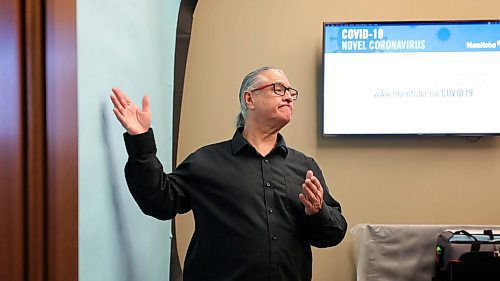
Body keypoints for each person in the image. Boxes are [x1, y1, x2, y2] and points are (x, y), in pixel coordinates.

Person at [110, 66, 347, 281]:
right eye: (278, 88)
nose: (288, 96)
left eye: (290, 92)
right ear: (249, 99)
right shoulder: (206, 162)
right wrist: (140, 139)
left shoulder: (304, 167)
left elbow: (333, 234)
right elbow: (159, 202)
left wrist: (317, 212)